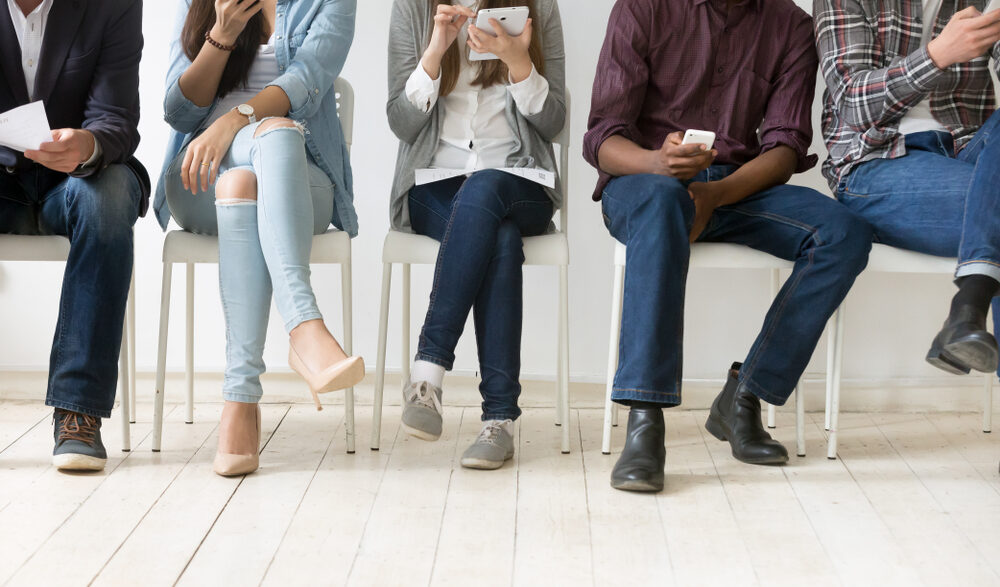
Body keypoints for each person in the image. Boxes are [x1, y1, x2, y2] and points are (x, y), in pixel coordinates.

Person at [585, 0, 873, 492]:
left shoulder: (791, 26)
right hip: (643, 183)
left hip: (736, 188)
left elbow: (784, 148)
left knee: (843, 233)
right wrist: (660, 165)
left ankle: (745, 394)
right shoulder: (642, 8)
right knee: (660, 201)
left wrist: (715, 195)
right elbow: (603, 137)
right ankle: (645, 422)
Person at [157, 0, 362, 477]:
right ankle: (305, 330)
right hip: (197, 176)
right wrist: (222, 34)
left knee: (270, 144)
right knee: (242, 171)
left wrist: (234, 120)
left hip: (295, 177)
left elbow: (308, 83)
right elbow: (178, 110)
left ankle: (240, 399)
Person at [387, 0, 565, 469]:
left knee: (486, 187)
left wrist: (518, 62)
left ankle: (427, 375)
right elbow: (400, 123)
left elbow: (556, 122)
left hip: (519, 179)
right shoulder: (413, 7)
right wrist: (435, 51)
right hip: (435, 184)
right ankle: (500, 421)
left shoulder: (538, 8)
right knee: (500, 238)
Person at [815, 0, 1000, 379]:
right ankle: (967, 308)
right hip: (875, 163)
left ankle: (968, 309)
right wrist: (938, 55)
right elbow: (852, 100)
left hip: (971, 152)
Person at [0, 0, 148, 472]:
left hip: (77, 180)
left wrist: (88, 144)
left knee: (108, 196)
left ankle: (79, 411)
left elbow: (116, 118)